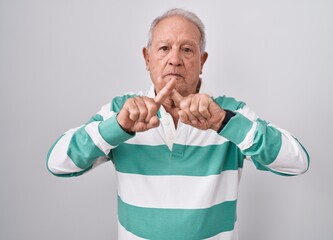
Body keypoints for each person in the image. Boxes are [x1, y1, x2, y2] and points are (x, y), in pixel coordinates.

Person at [47, 8, 310, 240]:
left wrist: (223, 122)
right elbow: (58, 163)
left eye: (186, 49)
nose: (175, 59)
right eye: (164, 49)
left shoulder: (230, 113)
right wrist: (118, 128)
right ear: (147, 58)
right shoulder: (122, 111)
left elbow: (297, 162)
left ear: (202, 61)